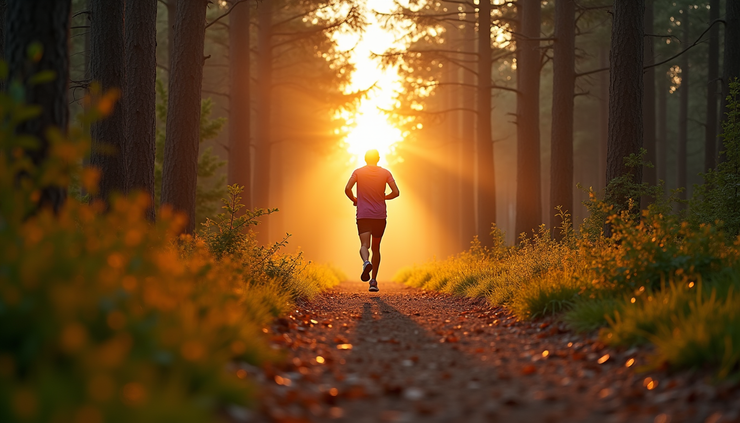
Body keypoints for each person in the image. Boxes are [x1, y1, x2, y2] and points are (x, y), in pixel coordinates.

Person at [344, 149, 400, 292]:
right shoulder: (386, 173)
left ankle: (365, 262)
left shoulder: (358, 172)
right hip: (379, 216)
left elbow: (347, 189)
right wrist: (384, 197)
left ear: (365, 159)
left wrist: (355, 200)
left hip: (363, 215)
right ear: (378, 158)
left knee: (364, 245)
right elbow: (396, 192)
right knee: (376, 248)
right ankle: (373, 281)